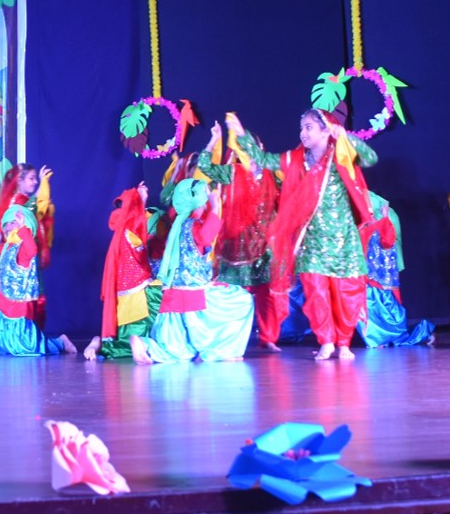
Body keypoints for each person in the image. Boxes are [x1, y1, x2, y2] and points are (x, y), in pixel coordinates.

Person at [225, 110, 377, 361]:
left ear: (326, 130)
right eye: (301, 128)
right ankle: (326, 341)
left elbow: (370, 158)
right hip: (311, 240)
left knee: (346, 293)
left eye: (309, 127)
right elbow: (262, 159)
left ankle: (343, 343)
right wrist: (241, 134)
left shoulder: (341, 154)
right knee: (316, 292)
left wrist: (346, 137)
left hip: (343, 240)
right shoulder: (295, 160)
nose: (302, 133)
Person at [130, 178, 254, 364]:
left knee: (177, 351)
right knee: (241, 300)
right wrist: (215, 207)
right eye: (203, 203)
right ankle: (223, 351)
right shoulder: (191, 225)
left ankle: (146, 345)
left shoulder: (170, 228)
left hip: (172, 296)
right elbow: (205, 237)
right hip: (196, 295)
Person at [194, 123, 285, 351]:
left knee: (268, 295)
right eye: (242, 149)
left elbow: (287, 198)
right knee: (230, 294)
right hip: (234, 245)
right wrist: (213, 140)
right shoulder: (232, 172)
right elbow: (204, 165)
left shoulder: (272, 174)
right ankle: (227, 340)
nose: (248, 154)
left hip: (265, 246)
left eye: (251, 148)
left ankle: (268, 338)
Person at [0, 205, 76, 356]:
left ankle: (60, 342)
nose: (8, 227)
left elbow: (32, 250)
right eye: (6, 224)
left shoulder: (25, 248)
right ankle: (0, 344)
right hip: (3, 300)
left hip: (18, 305)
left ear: (24, 225)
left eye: (12, 223)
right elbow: (8, 260)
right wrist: (2, 242)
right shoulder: (10, 247)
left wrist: (22, 228)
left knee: (24, 347)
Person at [83, 184, 160, 361]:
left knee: (123, 340)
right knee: (167, 296)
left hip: (125, 294)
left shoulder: (122, 231)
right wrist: (141, 200)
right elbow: (139, 226)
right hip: (139, 291)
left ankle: (101, 343)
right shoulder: (131, 231)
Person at [0, 164, 54, 324]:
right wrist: (42, 186)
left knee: (33, 295)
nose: (35, 182)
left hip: (26, 254)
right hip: (21, 256)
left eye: (35, 179)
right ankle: (27, 331)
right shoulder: (17, 201)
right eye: (31, 178)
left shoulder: (21, 200)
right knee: (27, 297)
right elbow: (28, 212)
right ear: (19, 181)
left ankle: (31, 332)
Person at [357, 192, 435, 348]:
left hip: (382, 281)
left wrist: (384, 220)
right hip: (366, 279)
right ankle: (376, 338)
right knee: (365, 305)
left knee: (386, 309)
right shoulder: (361, 227)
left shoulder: (386, 222)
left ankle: (382, 338)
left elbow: (388, 243)